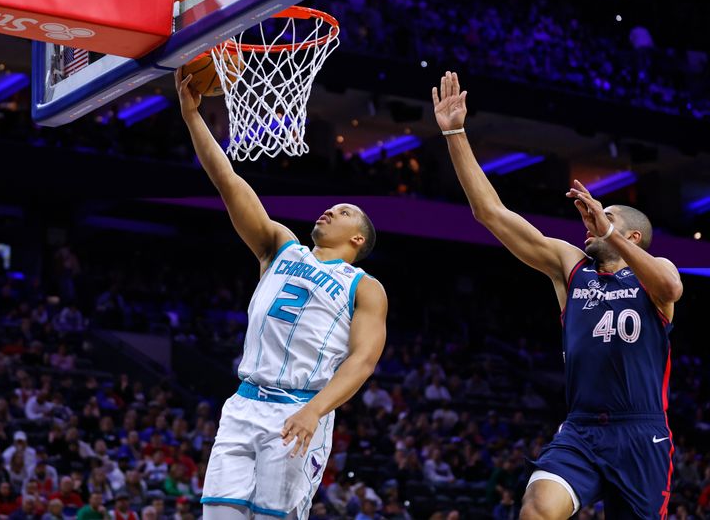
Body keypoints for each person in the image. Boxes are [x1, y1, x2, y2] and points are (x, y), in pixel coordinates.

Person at [433, 71, 682, 519]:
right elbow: (490, 213)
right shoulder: (571, 266)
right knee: (537, 509)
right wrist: (455, 133)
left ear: (633, 236)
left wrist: (608, 230)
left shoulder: (655, 274)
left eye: (603, 217)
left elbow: (670, 288)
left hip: (642, 434)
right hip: (581, 429)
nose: (590, 220)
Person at [176, 68, 388, 520]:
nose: (331, 209)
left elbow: (363, 361)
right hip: (244, 403)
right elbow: (229, 182)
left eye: (345, 211)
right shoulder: (279, 246)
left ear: (358, 241)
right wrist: (194, 117)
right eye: (333, 206)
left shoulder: (365, 287)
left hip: (299, 409)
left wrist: (316, 411)